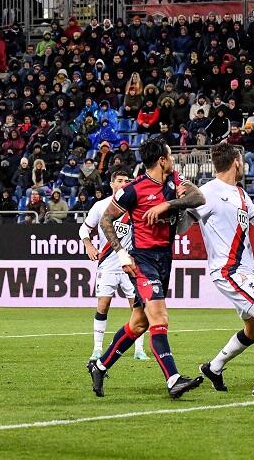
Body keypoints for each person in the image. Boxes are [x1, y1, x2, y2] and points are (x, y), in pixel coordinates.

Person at [86, 137, 206, 399]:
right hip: (143, 261)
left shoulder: (174, 181)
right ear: (161, 160)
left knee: (139, 323)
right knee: (159, 318)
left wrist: (168, 204)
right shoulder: (133, 189)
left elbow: (199, 197)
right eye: (170, 156)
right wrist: (120, 253)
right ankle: (173, 379)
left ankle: (100, 365)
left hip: (164, 260)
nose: (173, 160)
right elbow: (106, 220)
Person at [174, 143, 254, 397]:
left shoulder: (239, 193)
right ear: (237, 161)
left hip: (245, 271)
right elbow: (183, 226)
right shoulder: (207, 193)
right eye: (242, 159)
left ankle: (213, 367)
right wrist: (178, 207)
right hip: (229, 270)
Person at [79, 170, 148, 362]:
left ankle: (139, 350)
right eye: (120, 181)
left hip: (131, 265)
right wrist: (89, 245)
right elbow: (84, 228)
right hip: (108, 264)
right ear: (111, 184)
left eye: (127, 181)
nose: (124, 183)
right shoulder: (101, 206)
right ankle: (97, 349)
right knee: (103, 305)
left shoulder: (135, 207)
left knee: (137, 308)